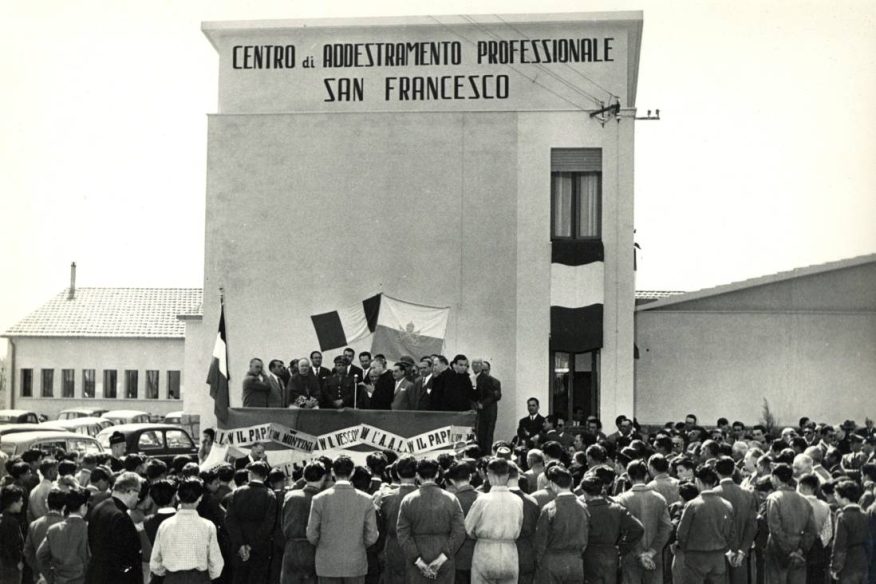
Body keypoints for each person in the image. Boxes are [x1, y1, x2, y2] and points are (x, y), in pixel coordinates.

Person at [306, 455, 379, 583]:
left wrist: (326, 545)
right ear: (352, 472)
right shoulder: (366, 500)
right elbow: (372, 535)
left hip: (327, 564)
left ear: (333, 472)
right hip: (355, 563)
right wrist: (358, 545)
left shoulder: (318, 499)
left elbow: (311, 534)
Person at [397, 458, 466, 583]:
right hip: (445, 556)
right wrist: (442, 558)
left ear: (417, 475)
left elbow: (402, 534)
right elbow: (460, 532)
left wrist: (418, 561)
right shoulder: (452, 499)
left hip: (416, 556)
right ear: (438, 474)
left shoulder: (408, 500)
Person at [150, 478, 224, 584]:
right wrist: (209, 576)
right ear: (200, 498)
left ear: (178, 496)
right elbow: (216, 562)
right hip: (199, 578)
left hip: (172, 578)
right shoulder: (207, 525)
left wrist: (167, 573)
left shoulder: (165, 525)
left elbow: (155, 562)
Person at [464, 458, 523, 584]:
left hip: (485, 552)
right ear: (507, 476)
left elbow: (468, 528)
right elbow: (519, 527)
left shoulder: (482, 500)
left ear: (489, 476)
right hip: (509, 553)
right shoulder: (518, 501)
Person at [673, 466, 734, 584]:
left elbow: (681, 533)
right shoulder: (726, 505)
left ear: (697, 481)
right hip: (718, 557)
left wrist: (687, 550)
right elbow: (731, 533)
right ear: (715, 482)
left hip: (695, 557)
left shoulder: (692, 505)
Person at [614, 460, 672, 584]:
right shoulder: (659, 499)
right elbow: (667, 528)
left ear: (628, 477)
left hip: (630, 556)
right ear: (646, 476)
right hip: (654, 556)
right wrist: (651, 552)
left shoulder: (621, 500)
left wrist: (640, 553)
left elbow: (621, 531)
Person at [533, 465, 589, 584]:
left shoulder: (549, 508)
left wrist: (539, 562)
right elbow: (586, 535)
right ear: (571, 482)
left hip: (552, 562)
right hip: (576, 562)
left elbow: (540, 541)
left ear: (552, 484)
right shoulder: (583, 507)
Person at [86, 471, 144, 584]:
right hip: (115, 578)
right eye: (138, 494)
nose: (138, 499)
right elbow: (127, 558)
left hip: (96, 575)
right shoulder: (120, 517)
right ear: (130, 491)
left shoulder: (99, 507)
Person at [225, 461, 277, 584]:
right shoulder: (270, 495)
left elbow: (230, 520)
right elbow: (268, 525)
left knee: (239, 578)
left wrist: (241, 544)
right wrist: (251, 545)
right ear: (265, 477)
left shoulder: (237, 492)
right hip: (260, 548)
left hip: (239, 548)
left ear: (250, 474)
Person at [764, 463, 817, 584]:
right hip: (798, 549)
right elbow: (811, 531)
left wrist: (789, 551)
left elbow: (775, 528)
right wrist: (800, 551)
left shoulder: (774, 498)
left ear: (776, 478)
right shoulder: (805, 500)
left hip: (777, 549)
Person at [713, 456, 757, 584]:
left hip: (719, 554)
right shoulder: (748, 494)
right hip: (740, 554)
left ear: (716, 472)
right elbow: (752, 525)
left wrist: (728, 551)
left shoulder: (712, 494)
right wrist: (743, 551)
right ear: (733, 471)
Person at [376, 456, 420, 584]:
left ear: (398, 474)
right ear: (417, 474)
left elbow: (380, 528)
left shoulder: (386, 498)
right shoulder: (426, 497)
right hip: (419, 548)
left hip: (393, 550)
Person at [36, 487, 91, 584]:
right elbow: (89, 558)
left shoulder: (53, 529)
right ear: (83, 507)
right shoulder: (87, 529)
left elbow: (40, 556)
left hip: (59, 580)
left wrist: (50, 577)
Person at [282, 462, 326, 584]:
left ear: (304, 477)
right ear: (323, 478)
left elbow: (283, 523)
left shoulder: (290, 496)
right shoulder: (324, 499)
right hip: (314, 550)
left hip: (291, 548)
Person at [829, 480, 868, 584]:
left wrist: (835, 567)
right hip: (863, 561)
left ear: (845, 499)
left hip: (848, 563)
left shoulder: (843, 517)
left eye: (836, 495)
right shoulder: (865, 515)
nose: (835, 498)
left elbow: (839, 545)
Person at [447, 461, 479, 584]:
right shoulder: (483, 497)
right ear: (470, 477)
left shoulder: (450, 500)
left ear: (452, 480)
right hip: (480, 555)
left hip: (457, 558)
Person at [472, 360, 502, 456]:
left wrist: (483, 404)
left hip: (489, 413)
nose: (484, 372)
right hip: (475, 413)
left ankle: (486, 455)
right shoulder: (473, 379)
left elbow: (497, 396)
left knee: (487, 436)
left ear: (489, 370)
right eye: (482, 370)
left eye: (486, 370)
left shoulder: (495, 381)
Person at [0, 485, 25, 584]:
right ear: (13, 503)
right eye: (20, 501)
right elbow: (14, 545)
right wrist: (19, 561)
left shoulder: (2, 518)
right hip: (11, 567)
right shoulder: (12, 522)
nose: (22, 504)